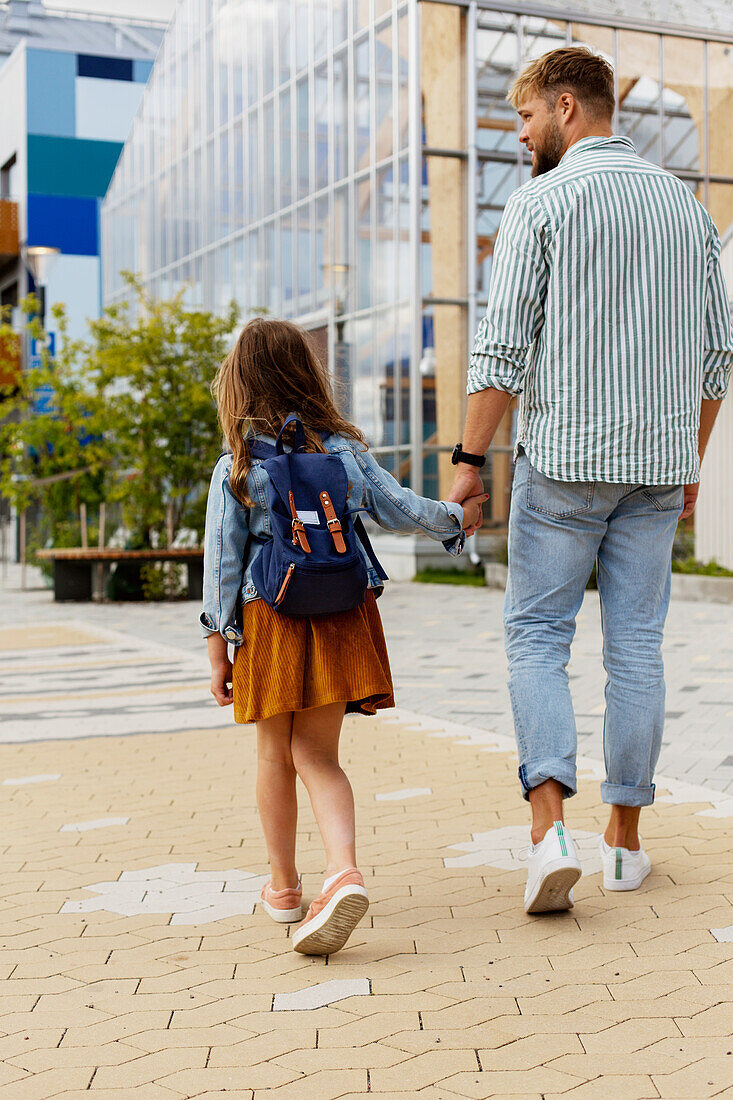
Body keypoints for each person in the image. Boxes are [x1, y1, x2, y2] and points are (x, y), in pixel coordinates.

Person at [448, 46, 733, 914]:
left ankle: (547, 838)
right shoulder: (686, 212)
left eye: (525, 117)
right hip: (655, 466)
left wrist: (466, 465)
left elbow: (501, 352)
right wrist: (689, 459)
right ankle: (624, 844)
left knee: (538, 639)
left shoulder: (542, 199)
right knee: (636, 650)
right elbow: (717, 359)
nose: (521, 135)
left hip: (566, 463)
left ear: (567, 106)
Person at [201, 318, 486, 953]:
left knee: (276, 755)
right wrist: (458, 518)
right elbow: (404, 509)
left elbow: (222, 565)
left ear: (240, 382)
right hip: (340, 610)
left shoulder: (239, 465)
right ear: (309, 375)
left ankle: (283, 889)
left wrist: (218, 645)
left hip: (270, 619)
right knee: (320, 755)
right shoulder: (345, 453)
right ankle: (343, 869)